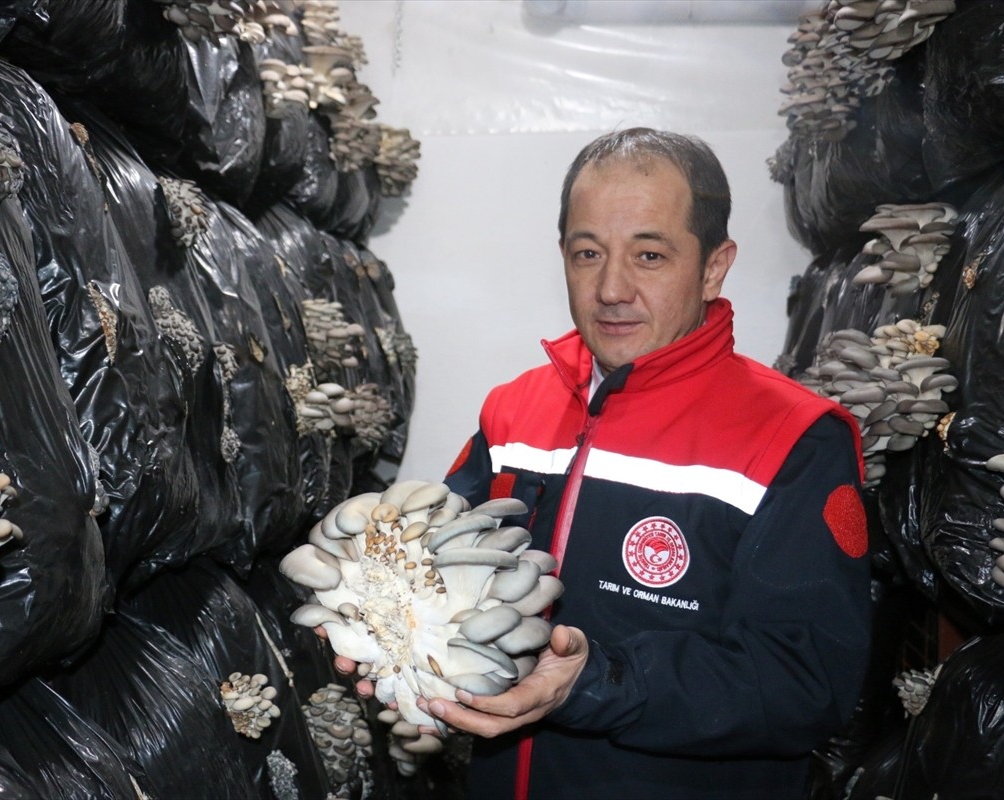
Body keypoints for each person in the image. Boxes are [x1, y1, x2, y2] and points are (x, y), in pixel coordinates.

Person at [335, 128, 871, 798]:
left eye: (650, 255)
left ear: (713, 267)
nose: (612, 288)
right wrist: (381, 622)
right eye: (587, 253)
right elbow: (438, 568)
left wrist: (596, 684)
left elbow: (807, 680)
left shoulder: (793, 439)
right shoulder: (513, 411)